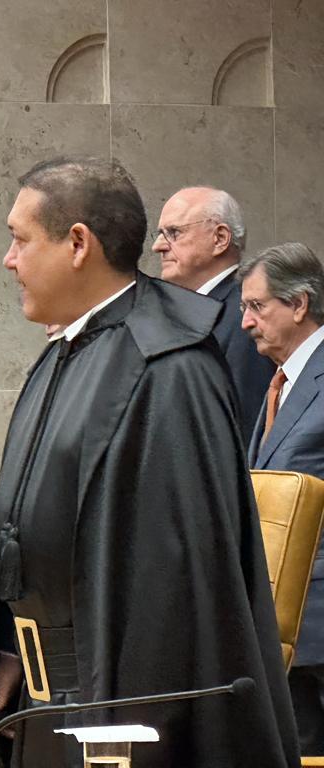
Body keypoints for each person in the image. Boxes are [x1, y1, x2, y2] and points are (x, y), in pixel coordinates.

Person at [0, 157, 298, 767]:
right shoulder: (69, 350)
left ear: (79, 243)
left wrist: (123, 731)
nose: (9, 259)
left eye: (20, 239)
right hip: (50, 698)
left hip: (119, 716)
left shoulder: (167, 365)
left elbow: (175, 589)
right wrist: (12, 650)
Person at [241, 242, 324, 754]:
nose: (246, 322)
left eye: (257, 306)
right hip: (285, 630)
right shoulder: (282, 382)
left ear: (298, 304)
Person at [154, 186, 274, 442]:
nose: (158, 246)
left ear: (220, 238)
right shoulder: (193, 310)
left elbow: (245, 428)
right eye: (160, 234)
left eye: (173, 233)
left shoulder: (245, 314)